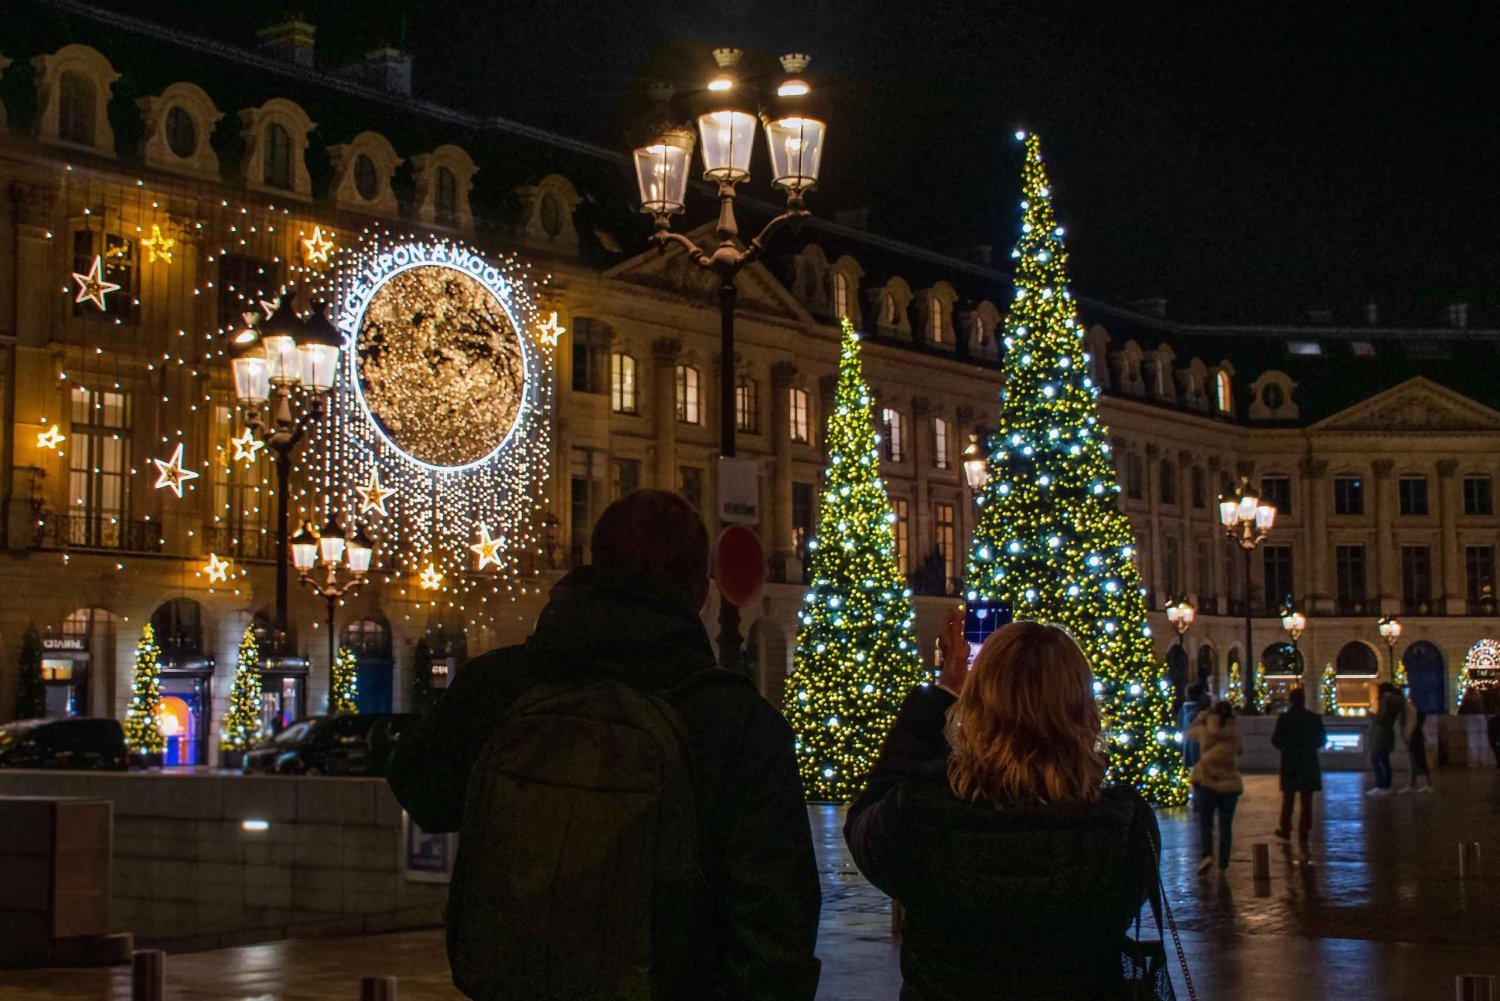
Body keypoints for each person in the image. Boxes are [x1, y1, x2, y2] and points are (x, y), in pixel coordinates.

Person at [387, 490, 821, 1001]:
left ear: (597, 566)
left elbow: (420, 788)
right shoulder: (737, 721)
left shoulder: (500, 685)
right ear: (701, 593)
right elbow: (777, 927)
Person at [845, 616, 1160, 1000]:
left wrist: (944, 690)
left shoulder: (918, 816)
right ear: (1084, 712)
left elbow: (864, 822)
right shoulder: (1126, 830)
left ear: (976, 708)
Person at [1188, 700, 1242, 874]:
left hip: (1207, 782)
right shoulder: (1234, 733)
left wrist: (1203, 715)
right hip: (1230, 784)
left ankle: (1207, 855)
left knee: (1206, 822)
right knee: (1226, 824)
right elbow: (1239, 750)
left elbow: (1190, 732)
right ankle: (1223, 863)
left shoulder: (1205, 730)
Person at [1270, 687, 1326, 839]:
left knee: (1288, 798)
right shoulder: (1314, 718)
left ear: (1291, 701)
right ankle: (1304, 830)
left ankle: (1286, 828)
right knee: (1307, 799)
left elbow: (1276, 740)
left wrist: (1287, 748)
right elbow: (1322, 740)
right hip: (1308, 761)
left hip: (1290, 762)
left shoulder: (1284, 718)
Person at [1368, 681, 1405, 796]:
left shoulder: (1386, 701)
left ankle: (1380, 785)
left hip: (1380, 734)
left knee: (1375, 758)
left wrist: (1373, 716)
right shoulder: (1397, 701)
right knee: (1384, 759)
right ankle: (1386, 786)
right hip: (1388, 733)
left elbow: (1381, 717)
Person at [1401, 696, 1433, 793]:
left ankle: (1423, 785)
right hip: (1416, 743)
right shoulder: (1412, 712)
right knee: (1417, 763)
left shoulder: (1412, 720)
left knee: (1417, 763)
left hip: (1415, 743)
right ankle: (1421, 785)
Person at [1178, 684, 1211, 772]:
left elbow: (1179, 724)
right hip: (1203, 747)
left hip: (1188, 746)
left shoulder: (1184, 709)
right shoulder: (1203, 710)